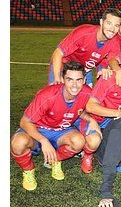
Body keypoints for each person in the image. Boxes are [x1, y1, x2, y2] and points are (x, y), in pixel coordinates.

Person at [10, 61, 101, 190]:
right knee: (17, 143)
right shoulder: (47, 95)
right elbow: (24, 122)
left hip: (61, 131)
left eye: (79, 80)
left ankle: (55, 160)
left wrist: (90, 119)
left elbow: (80, 110)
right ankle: (28, 170)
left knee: (78, 141)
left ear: (84, 80)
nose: (74, 85)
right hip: (38, 130)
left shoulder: (86, 93)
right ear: (63, 79)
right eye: (70, 79)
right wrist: (43, 140)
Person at [48, 8, 121, 87]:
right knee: (57, 92)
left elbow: (111, 60)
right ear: (101, 22)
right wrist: (57, 78)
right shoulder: (84, 33)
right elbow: (58, 53)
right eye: (109, 23)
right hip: (63, 65)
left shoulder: (115, 43)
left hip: (84, 69)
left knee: (86, 97)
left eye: (116, 25)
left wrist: (109, 70)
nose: (112, 29)